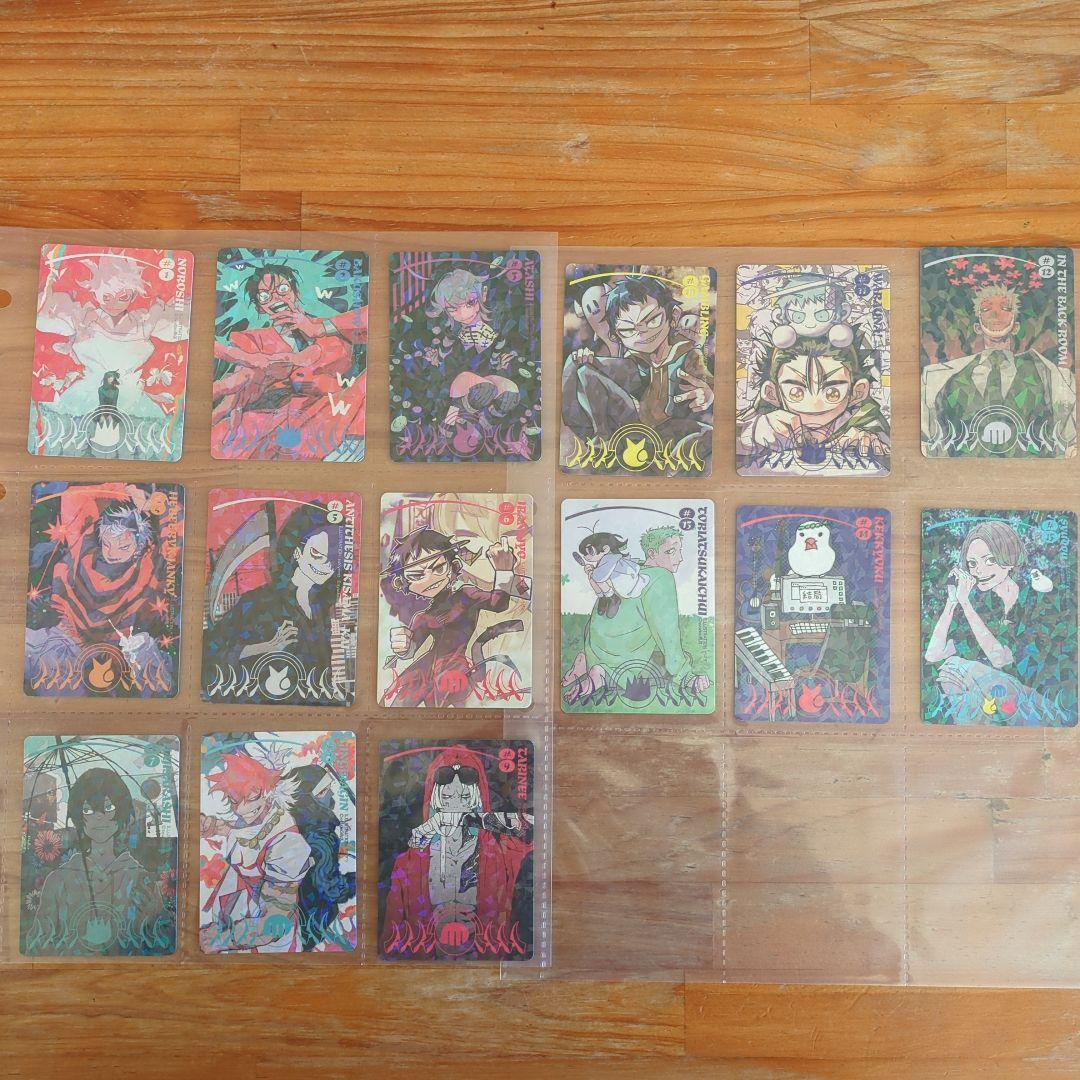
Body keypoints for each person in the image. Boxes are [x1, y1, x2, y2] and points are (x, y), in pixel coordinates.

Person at [381, 745, 532, 959]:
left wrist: (478, 820)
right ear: (435, 800)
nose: (455, 806)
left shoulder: (502, 855)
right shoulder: (409, 863)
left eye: (464, 798)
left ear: (477, 800)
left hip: (487, 960)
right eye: (447, 797)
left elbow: (535, 829)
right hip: (425, 961)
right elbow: (390, 937)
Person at [33, 251, 188, 455]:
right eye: (106, 297)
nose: (114, 304)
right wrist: (49, 284)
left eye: (123, 297)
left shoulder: (144, 322)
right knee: (68, 442)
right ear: (95, 294)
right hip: (84, 396)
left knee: (140, 445)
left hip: (132, 399)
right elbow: (43, 315)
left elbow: (183, 323)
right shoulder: (82, 318)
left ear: (133, 295)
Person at [25, 482, 174, 693]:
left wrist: (159, 504)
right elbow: (73, 496)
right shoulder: (84, 548)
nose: (112, 553)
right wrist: (127, 490)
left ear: (139, 544)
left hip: (126, 647)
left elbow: (176, 534)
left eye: (124, 546)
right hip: (70, 640)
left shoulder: (151, 563)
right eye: (107, 544)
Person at [212, 263, 367, 459]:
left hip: (332, 414)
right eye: (265, 296)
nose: (276, 298)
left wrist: (315, 330)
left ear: (295, 292)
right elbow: (239, 387)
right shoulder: (252, 339)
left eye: (282, 289)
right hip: (273, 423)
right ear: (260, 307)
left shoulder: (330, 328)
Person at [924, 519, 1065, 725]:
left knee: (956, 667)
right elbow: (932, 655)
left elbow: (1002, 660)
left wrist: (966, 604)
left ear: (1009, 558)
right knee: (951, 669)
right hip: (995, 705)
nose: (979, 570)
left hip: (1036, 704)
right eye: (972, 564)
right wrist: (952, 602)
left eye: (989, 560)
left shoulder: (1034, 598)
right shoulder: (983, 604)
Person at [562, 277, 713, 458]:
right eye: (627, 330)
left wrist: (708, 394)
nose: (642, 334)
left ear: (673, 316)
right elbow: (597, 372)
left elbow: (707, 380)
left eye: (652, 320)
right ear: (616, 335)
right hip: (634, 423)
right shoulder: (636, 359)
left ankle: (669, 464)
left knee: (708, 434)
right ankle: (604, 438)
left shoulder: (687, 354)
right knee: (586, 372)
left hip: (671, 428)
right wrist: (584, 360)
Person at [922, 283, 1076, 456]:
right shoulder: (944, 377)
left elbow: (1068, 437)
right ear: (977, 327)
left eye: (1005, 308)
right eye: (986, 309)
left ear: (1016, 327)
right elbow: (931, 439)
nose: (995, 314)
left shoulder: (1049, 374)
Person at [563, 526, 711, 705]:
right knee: (659, 670)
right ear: (652, 553)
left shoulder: (626, 570)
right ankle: (602, 674)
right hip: (620, 656)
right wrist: (685, 675)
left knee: (657, 653)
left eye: (679, 551)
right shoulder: (660, 578)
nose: (680, 558)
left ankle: (587, 661)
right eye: (671, 551)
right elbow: (666, 632)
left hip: (594, 646)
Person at [203, 504, 341, 694]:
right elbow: (210, 653)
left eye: (332, 558)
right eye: (316, 554)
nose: (325, 565)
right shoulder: (258, 602)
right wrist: (267, 647)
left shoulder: (320, 608)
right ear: (297, 551)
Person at [382, 528, 528, 707]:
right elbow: (412, 648)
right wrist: (403, 646)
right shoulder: (422, 617)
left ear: (454, 566)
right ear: (404, 583)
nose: (429, 578)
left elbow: (498, 604)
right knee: (401, 705)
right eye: (417, 575)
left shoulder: (465, 595)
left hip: (456, 668)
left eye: (438, 568)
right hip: (426, 669)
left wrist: (503, 570)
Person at [29, 767, 166, 956]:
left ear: (122, 810)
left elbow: (164, 946)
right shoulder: (59, 880)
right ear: (79, 816)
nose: (98, 817)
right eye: (87, 810)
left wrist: (153, 917)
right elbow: (36, 946)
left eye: (109, 808)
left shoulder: (140, 880)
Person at [200, 753, 312, 953]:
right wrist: (212, 825)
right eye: (234, 800)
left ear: (269, 791)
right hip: (236, 919)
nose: (241, 809)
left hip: (265, 942)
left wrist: (222, 939)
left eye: (252, 797)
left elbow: (275, 923)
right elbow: (242, 832)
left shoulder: (287, 844)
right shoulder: (259, 818)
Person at [737, 340, 889, 463]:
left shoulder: (867, 423)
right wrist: (752, 433)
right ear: (772, 394)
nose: (815, 403)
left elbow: (891, 450)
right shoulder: (766, 424)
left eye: (832, 393)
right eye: (796, 392)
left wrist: (871, 441)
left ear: (857, 392)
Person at [287, 764, 356, 951]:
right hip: (314, 920)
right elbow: (330, 888)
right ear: (309, 799)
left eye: (330, 788)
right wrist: (358, 880)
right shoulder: (319, 834)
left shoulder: (294, 825)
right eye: (324, 791)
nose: (331, 794)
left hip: (300, 918)